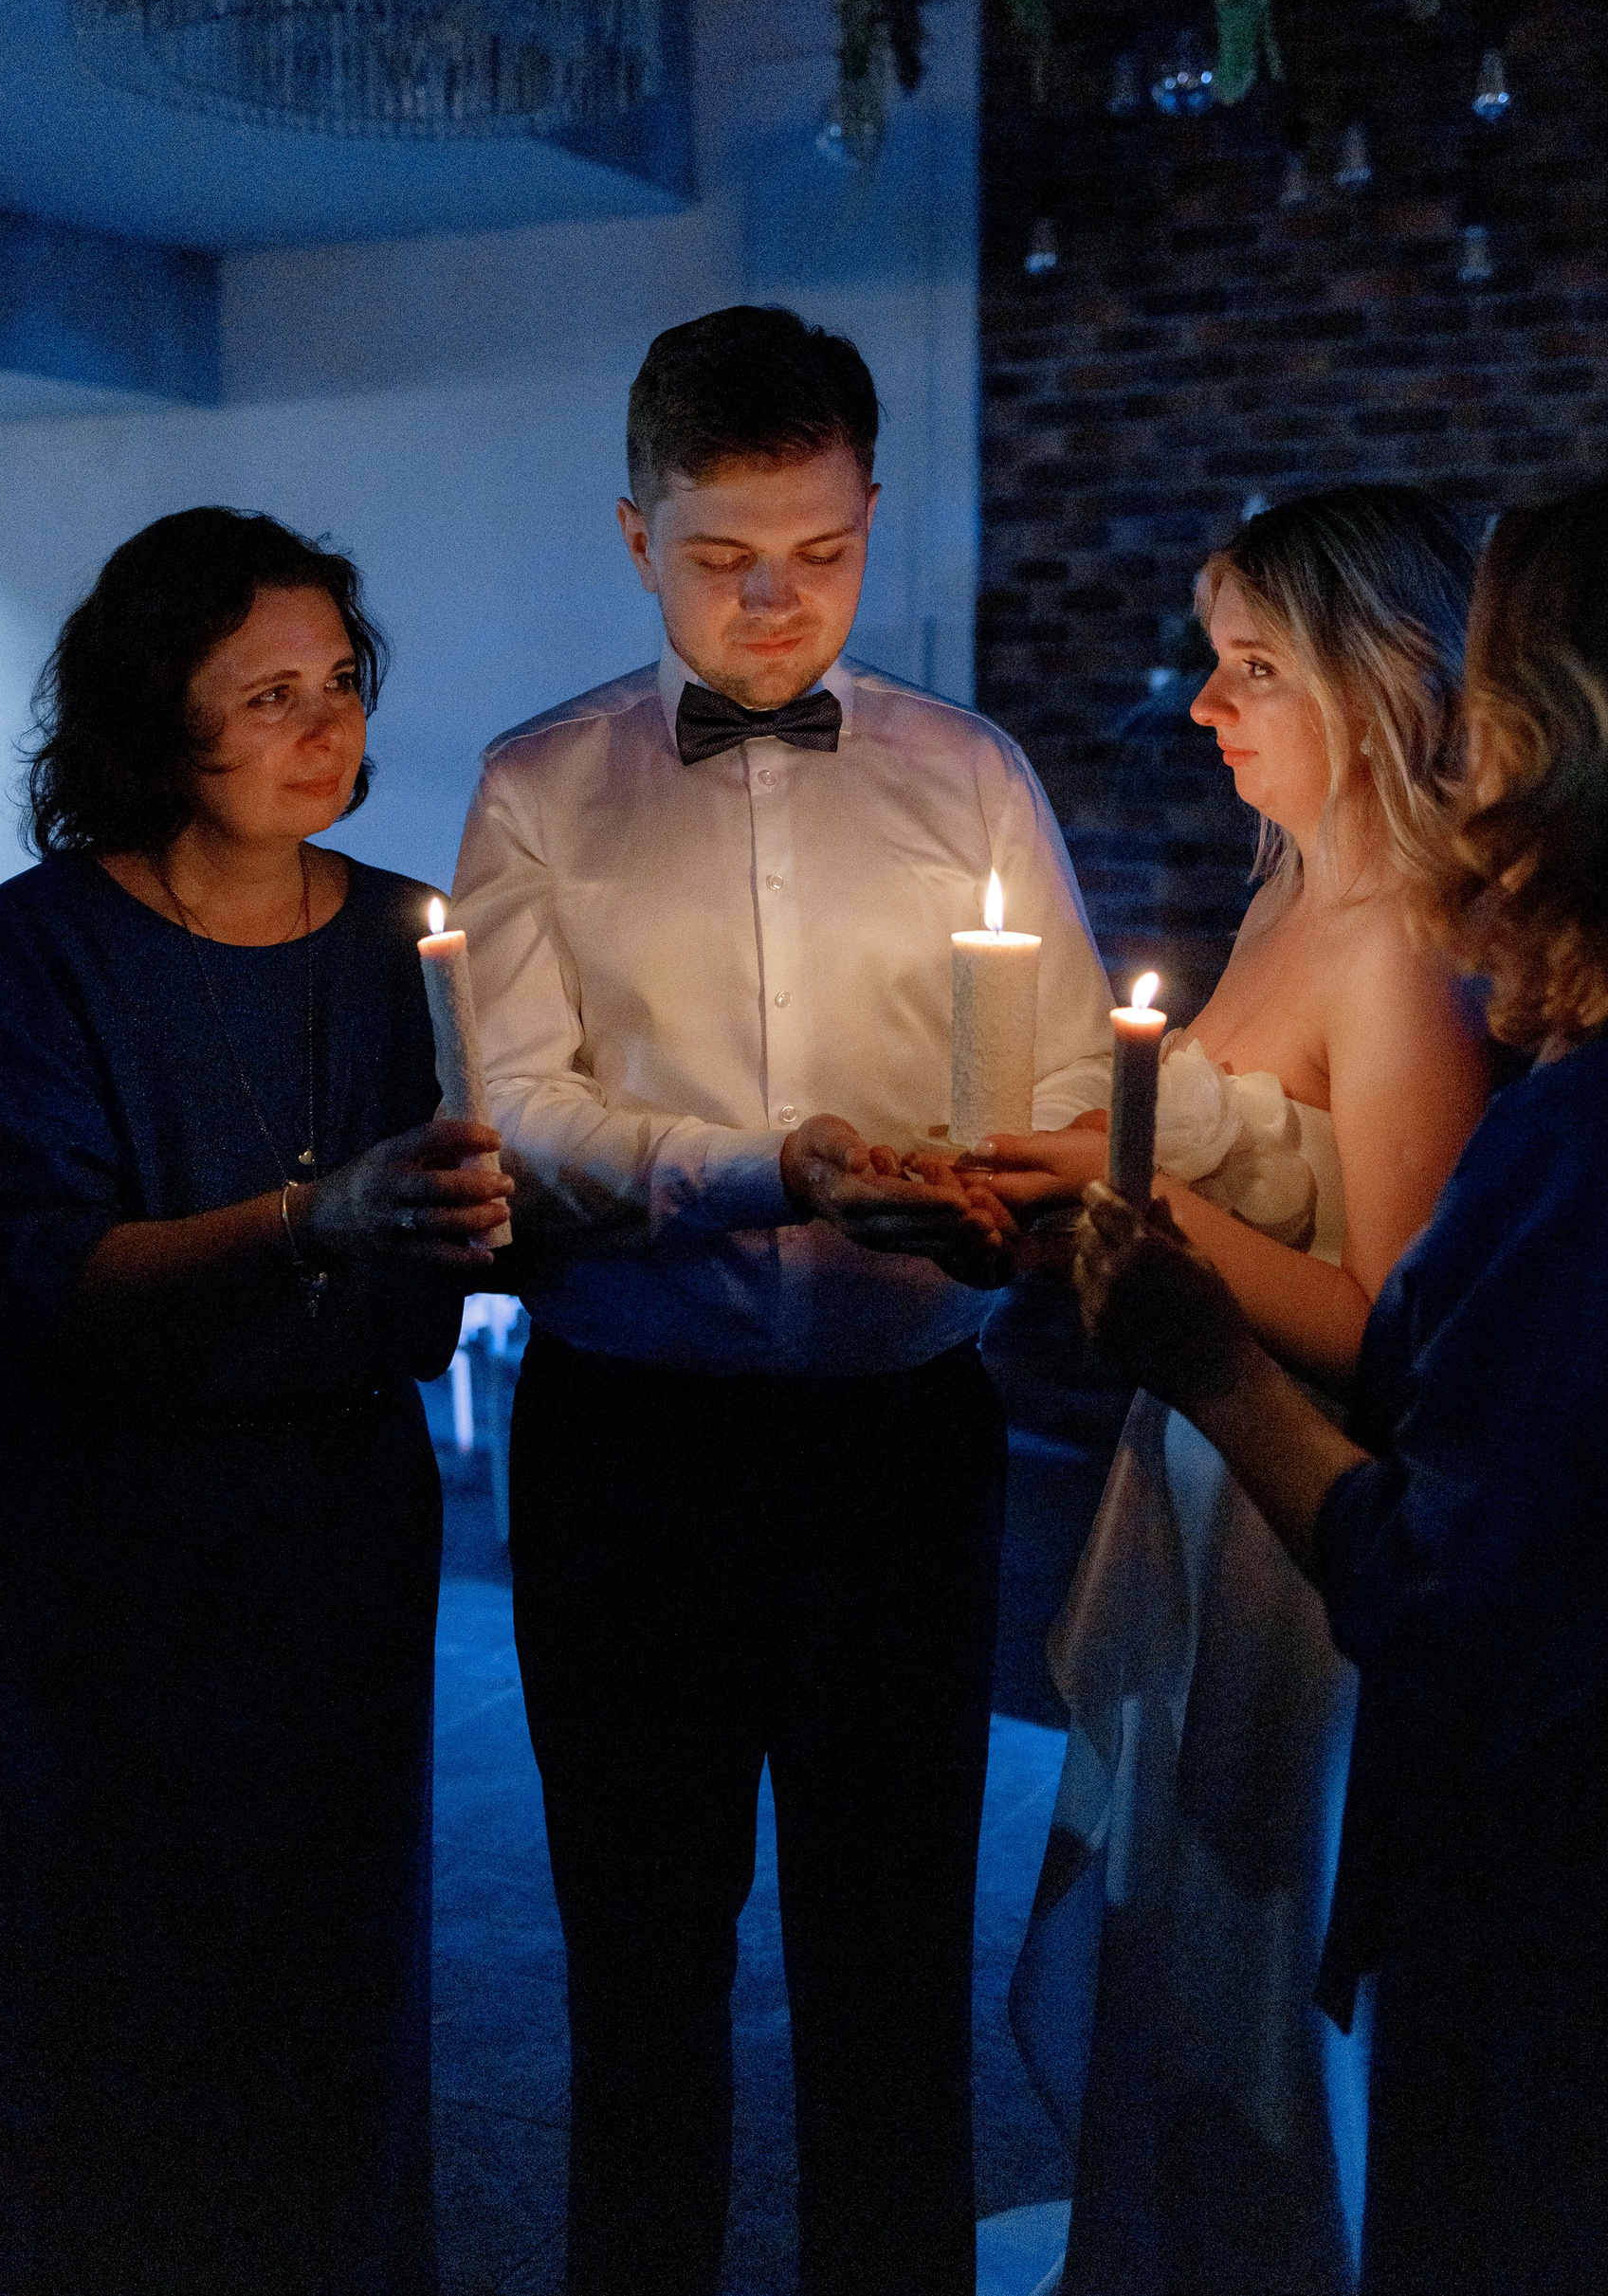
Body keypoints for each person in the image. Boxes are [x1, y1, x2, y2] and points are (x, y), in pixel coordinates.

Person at [449, 302, 1114, 2296]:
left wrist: (997, 1199)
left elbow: (1061, 1076)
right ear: (635, 535)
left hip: (901, 1444)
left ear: (873, 516)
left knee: (890, 1970)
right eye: (723, 556)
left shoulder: (969, 773)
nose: (775, 604)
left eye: (821, 553)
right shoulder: (539, 785)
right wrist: (775, 1170)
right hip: (628, 1448)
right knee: (640, 1966)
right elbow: (520, 1114)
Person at [1075, 466, 1608, 2295]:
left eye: (1497, 683)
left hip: (1601, 1876)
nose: (1470, 738)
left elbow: (1452, 1573)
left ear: (1588, 732)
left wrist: (1207, 1354)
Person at [0, 508, 512, 2296]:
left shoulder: (411, 939)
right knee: (115, 1973)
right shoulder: (40, 949)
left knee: (333, 1964)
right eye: (268, 692)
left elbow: (470, 1230)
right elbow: (38, 1271)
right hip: (106, 1534)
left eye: (339, 680)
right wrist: (311, 1216)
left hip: (341, 1517)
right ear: (157, 715)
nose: (325, 723)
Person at [980, 486, 1491, 2292]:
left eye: (1254, 667)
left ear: (1386, 677)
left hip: (1303, 1512)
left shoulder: (1408, 938)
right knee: (1179, 1918)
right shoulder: (1288, 898)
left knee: (1263, 1932)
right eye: (1213, 661)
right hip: (1203, 1473)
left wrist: (1135, 1205)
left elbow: (1402, 1332)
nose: (1204, 704)